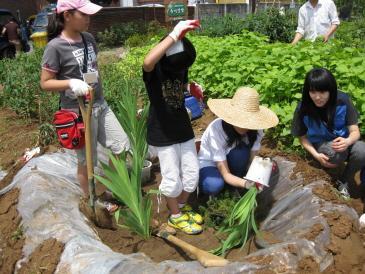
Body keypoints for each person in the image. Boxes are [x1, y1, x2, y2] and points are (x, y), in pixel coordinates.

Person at [40, 0, 129, 211]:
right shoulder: (55, 47)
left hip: (100, 104)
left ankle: (110, 186)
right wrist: (70, 82)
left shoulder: (89, 39)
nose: (89, 19)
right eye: (84, 15)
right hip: (77, 112)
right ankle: (95, 198)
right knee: (88, 161)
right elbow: (45, 82)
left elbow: (92, 67)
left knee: (121, 146)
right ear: (67, 15)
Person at [143, 20, 203, 234]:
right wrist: (174, 35)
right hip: (162, 131)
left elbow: (179, 85)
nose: (182, 70)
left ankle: (182, 207)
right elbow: (148, 61)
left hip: (183, 127)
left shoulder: (178, 68)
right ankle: (175, 216)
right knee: (171, 177)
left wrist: (191, 87)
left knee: (191, 174)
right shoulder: (154, 71)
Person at [291, 68, 365, 199]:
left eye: (322, 91)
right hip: (323, 145)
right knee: (335, 153)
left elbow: (355, 132)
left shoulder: (343, 101)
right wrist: (316, 155)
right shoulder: (303, 108)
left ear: (331, 90)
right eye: (313, 92)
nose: (317, 97)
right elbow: (302, 137)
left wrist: (347, 141)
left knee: (362, 150)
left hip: (344, 142)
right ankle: (330, 176)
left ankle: (344, 182)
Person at [198, 87, 279, 196]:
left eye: (247, 122)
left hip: (232, 160)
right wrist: (246, 184)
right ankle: (211, 192)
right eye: (241, 121)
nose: (245, 127)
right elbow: (225, 173)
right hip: (211, 164)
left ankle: (233, 186)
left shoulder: (257, 128)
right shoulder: (216, 129)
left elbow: (252, 160)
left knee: (240, 153)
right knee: (214, 185)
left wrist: (260, 173)